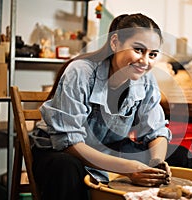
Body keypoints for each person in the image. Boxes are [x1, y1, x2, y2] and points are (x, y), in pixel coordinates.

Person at [31, 13, 173, 200]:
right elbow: (68, 142)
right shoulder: (81, 71)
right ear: (115, 43)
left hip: (106, 148)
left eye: (152, 54)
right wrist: (126, 168)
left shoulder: (146, 80)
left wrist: (156, 163)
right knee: (66, 167)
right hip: (62, 151)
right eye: (138, 50)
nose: (145, 61)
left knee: (178, 157)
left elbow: (156, 131)